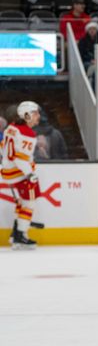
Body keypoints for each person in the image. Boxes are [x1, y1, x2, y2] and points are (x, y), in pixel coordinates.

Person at [1, 102, 43, 249]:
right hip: (19, 173)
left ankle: (15, 234)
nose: (38, 116)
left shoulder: (11, 128)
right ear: (27, 115)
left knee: (21, 202)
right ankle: (21, 235)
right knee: (29, 202)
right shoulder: (27, 133)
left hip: (8, 171)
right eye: (35, 113)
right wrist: (29, 173)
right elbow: (19, 157)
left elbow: (3, 147)